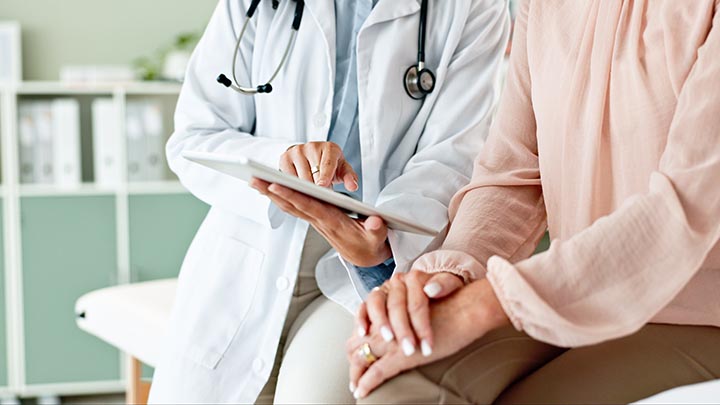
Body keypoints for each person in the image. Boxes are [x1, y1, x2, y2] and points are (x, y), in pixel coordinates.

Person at [346, 1, 720, 403]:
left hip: (697, 315)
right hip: (566, 294)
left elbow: (683, 212)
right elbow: (512, 173)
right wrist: (441, 280)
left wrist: (485, 304)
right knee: (399, 387)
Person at [148, 0, 510, 403]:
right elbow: (193, 138)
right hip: (254, 250)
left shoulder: (472, 7)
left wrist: (381, 242)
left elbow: (453, 155)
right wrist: (281, 161)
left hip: (371, 268)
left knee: (316, 394)